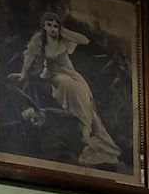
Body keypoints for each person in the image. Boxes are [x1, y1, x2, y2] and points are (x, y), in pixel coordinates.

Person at [11, 12, 121, 169]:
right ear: (43, 26)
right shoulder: (39, 39)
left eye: (55, 25)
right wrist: (23, 73)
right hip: (53, 75)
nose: (52, 28)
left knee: (82, 91)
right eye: (49, 25)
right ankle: (84, 133)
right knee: (67, 84)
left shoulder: (64, 38)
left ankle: (87, 132)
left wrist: (65, 32)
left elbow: (84, 40)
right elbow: (29, 55)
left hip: (71, 74)